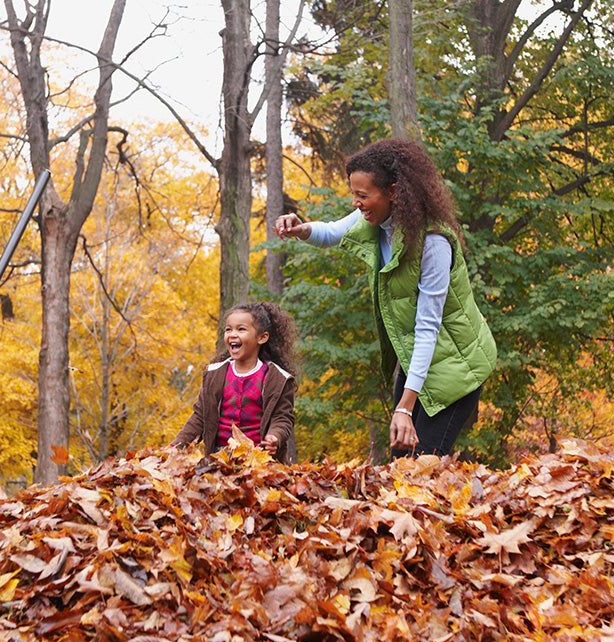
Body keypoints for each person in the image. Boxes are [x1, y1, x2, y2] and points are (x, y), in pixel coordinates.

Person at [274, 138, 497, 459]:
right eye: (354, 193)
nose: (355, 203)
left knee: (422, 468)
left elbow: (428, 327)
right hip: (419, 359)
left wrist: (404, 408)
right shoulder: (380, 220)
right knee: (400, 464)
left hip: (457, 369)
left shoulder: (433, 243)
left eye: (362, 195)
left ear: (393, 192)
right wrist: (300, 228)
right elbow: (333, 232)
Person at [172, 302, 300, 464]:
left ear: (262, 337)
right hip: (220, 457)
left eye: (241, 329)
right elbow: (199, 417)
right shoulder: (215, 374)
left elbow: (282, 417)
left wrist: (275, 436)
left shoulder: (277, 378)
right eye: (228, 329)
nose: (232, 334)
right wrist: (175, 448)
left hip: (259, 458)